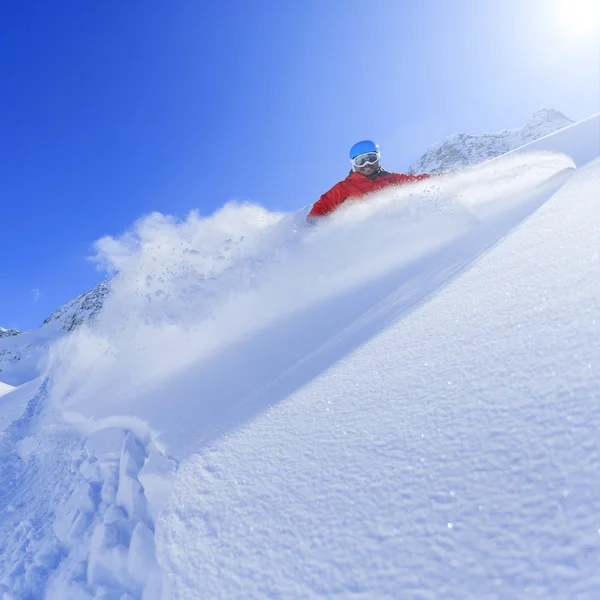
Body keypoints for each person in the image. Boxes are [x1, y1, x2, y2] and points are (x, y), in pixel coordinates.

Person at [307, 140, 432, 221]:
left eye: (371, 158)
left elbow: (417, 181)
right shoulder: (344, 187)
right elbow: (323, 204)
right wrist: (312, 226)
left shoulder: (392, 179)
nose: (367, 165)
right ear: (353, 165)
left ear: (378, 159)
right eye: (360, 161)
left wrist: (448, 178)